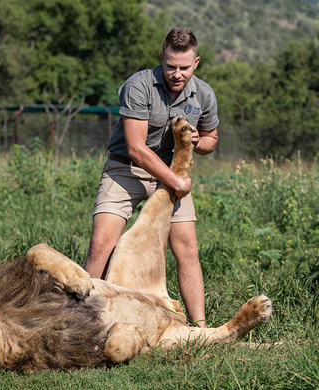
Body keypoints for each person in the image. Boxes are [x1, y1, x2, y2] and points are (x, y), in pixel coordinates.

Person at [84, 27, 219, 328]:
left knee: (187, 248)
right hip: (126, 169)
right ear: (161, 58)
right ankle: (83, 319)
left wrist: (198, 142)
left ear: (196, 63)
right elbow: (135, 148)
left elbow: (212, 139)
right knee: (101, 244)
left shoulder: (204, 93)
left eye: (184, 67)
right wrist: (176, 182)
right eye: (171, 66)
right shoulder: (139, 85)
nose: (176, 73)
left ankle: (199, 328)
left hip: (173, 174)